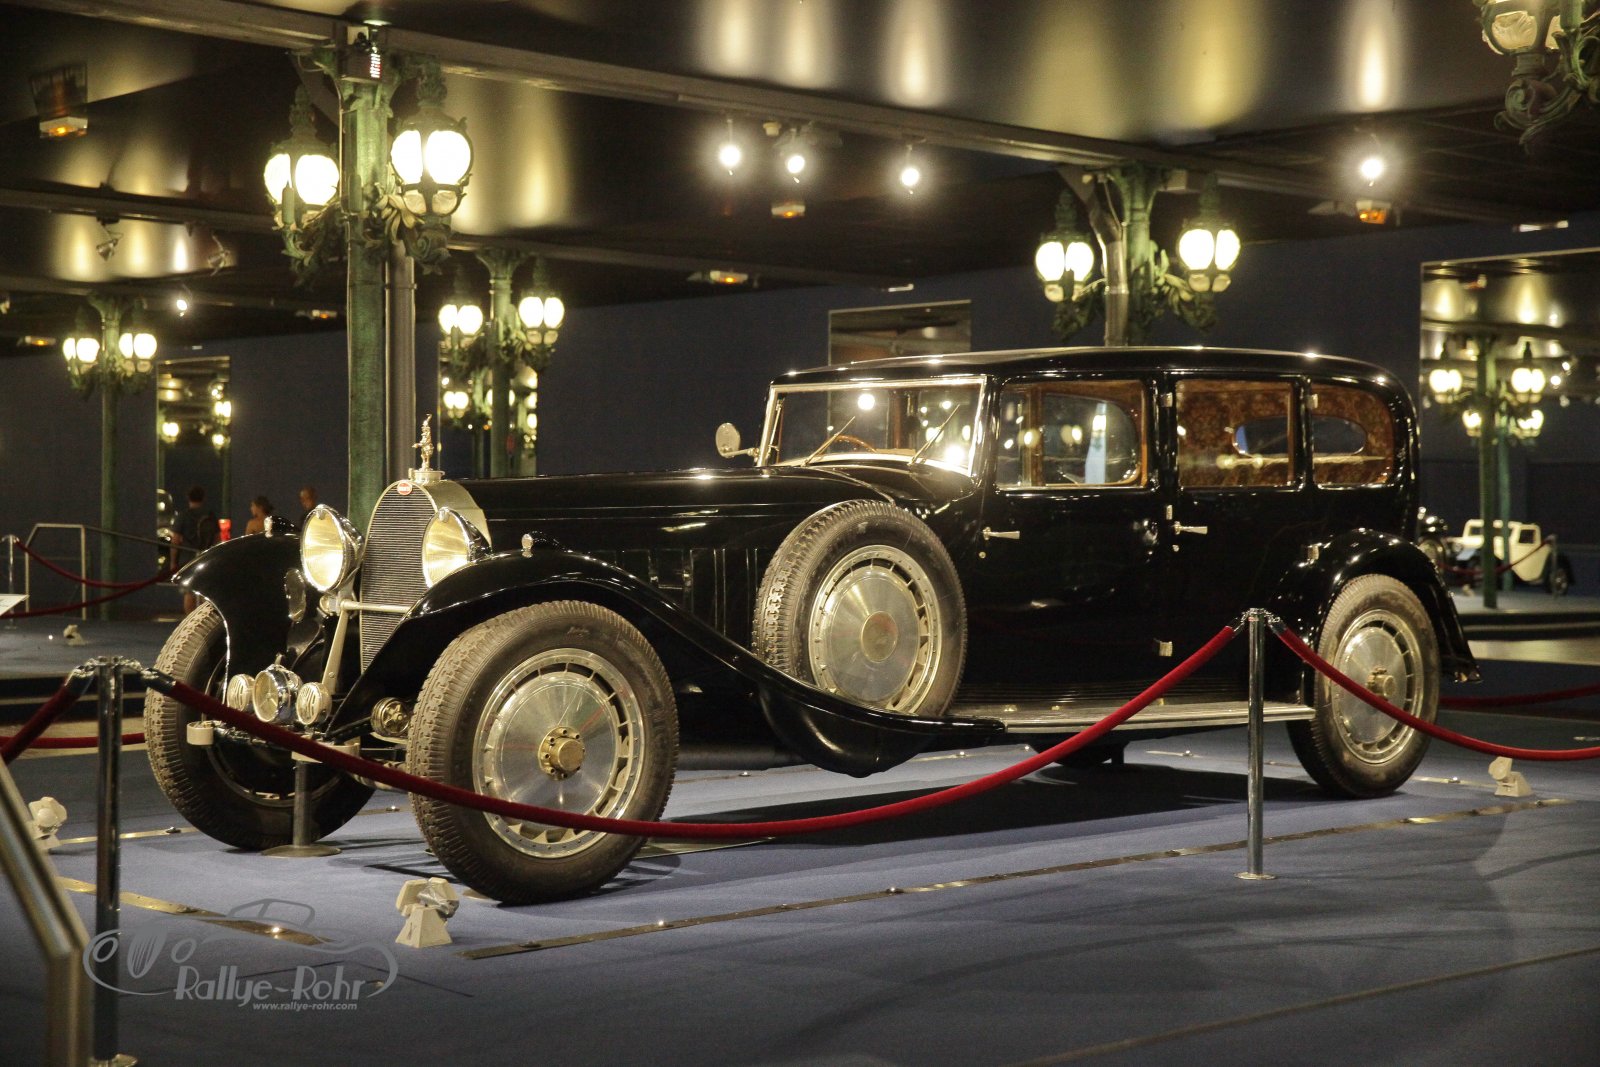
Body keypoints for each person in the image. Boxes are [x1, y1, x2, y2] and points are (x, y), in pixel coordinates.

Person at [173, 486, 219, 614]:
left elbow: (175, 540)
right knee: (205, 592)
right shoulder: (210, 515)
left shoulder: (184, 516)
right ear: (203, 498)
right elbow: (217, 538)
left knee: (189, 593)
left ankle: (191, 620)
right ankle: (204, 620)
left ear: (188, 498)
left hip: (188, 558)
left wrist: (173, 561)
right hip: (206, 557)